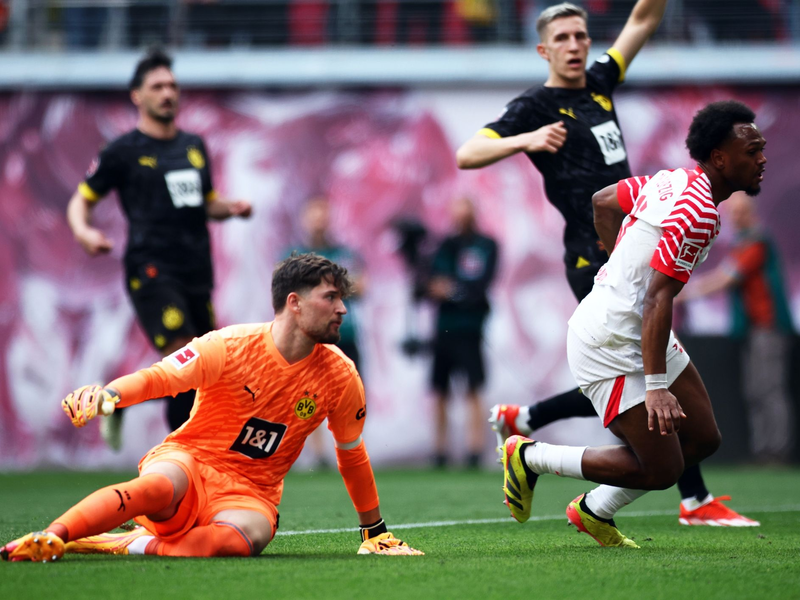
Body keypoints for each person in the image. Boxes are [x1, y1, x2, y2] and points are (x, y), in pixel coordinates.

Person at [456, 1, 755, 526]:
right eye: (563, 38)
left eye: (581, 36)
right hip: (591, 260)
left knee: (650, 385)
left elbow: (641, 21)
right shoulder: (533, 107)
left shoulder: (599, 83)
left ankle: (529, 421)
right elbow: (467, 154)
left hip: (628, 241)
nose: (576, 45)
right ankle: (685, 497)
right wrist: (525, 140)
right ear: (543, 49)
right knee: (624, 368)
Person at [0, 253, 423, 561]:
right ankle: (52, 536)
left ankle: (131, 543)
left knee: (236, 544)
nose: (343, 308)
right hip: (191, 460)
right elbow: (159, 378)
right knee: (156, 488)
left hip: (251, 493)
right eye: (331, 298)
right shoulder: (228, 345)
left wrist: (374, 530)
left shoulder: (341, 374)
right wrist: (109, 396)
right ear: (294, 302)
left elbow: (352, 454)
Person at [498, 100, 766, 547]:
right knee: (662, 469)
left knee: (703, 438)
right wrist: (657, 386)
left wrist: (616, 260)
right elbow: (658, 298)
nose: (762, 159)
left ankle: (593, 510)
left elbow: (603, 201)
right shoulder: (697, 212)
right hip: (609, 340)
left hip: (633, 326)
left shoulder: (673, 179)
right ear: (720, 157)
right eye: (753, 150)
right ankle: (531, 456)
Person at [66, 48, 252, 449]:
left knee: (205, 366)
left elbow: (205, 202)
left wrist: (229, 208)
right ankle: (183, 456)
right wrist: (84, 231)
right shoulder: (122, 151)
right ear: (137, 95)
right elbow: (81, 200)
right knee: (186, 355)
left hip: (197, 270)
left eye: (172, 85)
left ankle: (125, 400)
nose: (168, 93)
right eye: (157, 86)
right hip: (150, 268)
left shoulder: (194, 145)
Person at [680, 193, 795, 465]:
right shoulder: (744, 241)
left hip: (769, 327)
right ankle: (764, 450)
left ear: (750, 212)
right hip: (755, 329)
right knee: (758, 389)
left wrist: (682, 293)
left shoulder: (756, 241)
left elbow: (725, 279)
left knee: (769, 389)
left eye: (740, 212)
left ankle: (777, 450)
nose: (736, 217)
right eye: (733, 212)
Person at [285, 197, 366, 469]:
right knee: (311, 394)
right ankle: (319, 455)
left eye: (323, 214)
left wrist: (319, 290)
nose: (319, 220)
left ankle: (349, 448)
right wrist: (335, 286)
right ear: (305, 220)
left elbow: (362, 286)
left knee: (348, 394)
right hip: (310, 335)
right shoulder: (294, 256)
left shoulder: (344, 253)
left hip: (345, 333)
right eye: (313, 215)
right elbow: (287, 293)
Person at [428, 198, 498, 469]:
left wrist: (454, 291)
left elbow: (480, 284)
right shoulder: (444, 245)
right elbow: (432, 283)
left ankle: (474, 449)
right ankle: (440, 450)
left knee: (473, 388)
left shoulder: (486, 245)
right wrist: (459, 290)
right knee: (440, 389)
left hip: (471, 327)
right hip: (444, 327)